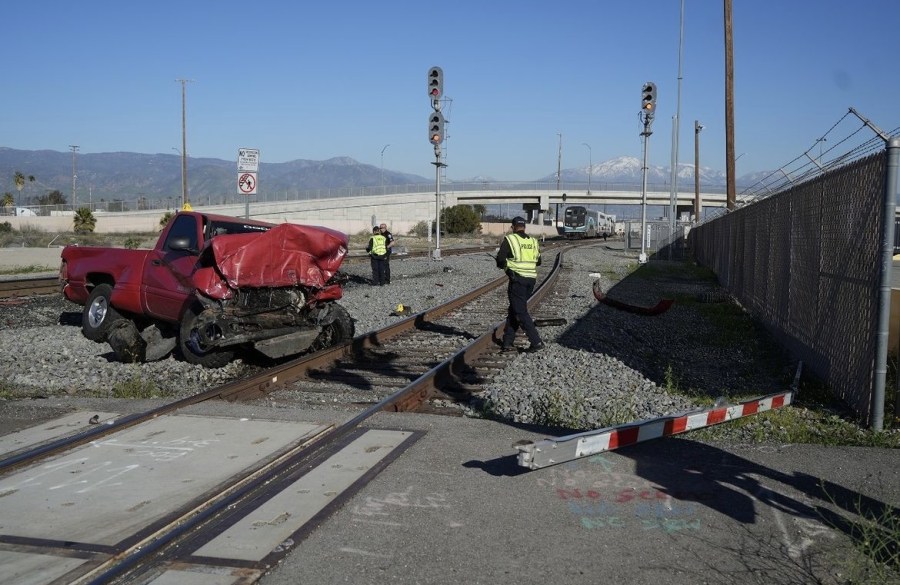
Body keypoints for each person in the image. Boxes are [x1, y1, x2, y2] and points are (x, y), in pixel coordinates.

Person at [495, 216, 544, 352]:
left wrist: (508, 268)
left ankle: (536, 341)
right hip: (531, 280)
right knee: (514, 309)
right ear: (524, 227)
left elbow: (500, 260)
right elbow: (538, 262)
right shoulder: (534, 241)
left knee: (520, 311)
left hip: (518, 280)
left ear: (513, 227)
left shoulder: (510, 239)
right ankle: (507, 342)